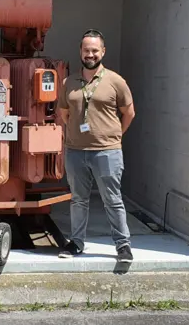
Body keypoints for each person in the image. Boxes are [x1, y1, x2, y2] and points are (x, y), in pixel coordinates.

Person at [56, 29, 136, 262]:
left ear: (103, 51)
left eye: (94, 50)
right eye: (86, 50)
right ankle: (77, 243)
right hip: (76, 152)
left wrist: (115, 136)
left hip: (107, 151)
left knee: (112, 198)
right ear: (80, 51)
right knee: (78, 199)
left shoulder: (115, 81)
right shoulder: (69, 82)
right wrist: (76, 135)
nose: (90, 54)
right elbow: (64, 113)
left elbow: (129, 112)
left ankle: (123, 246)